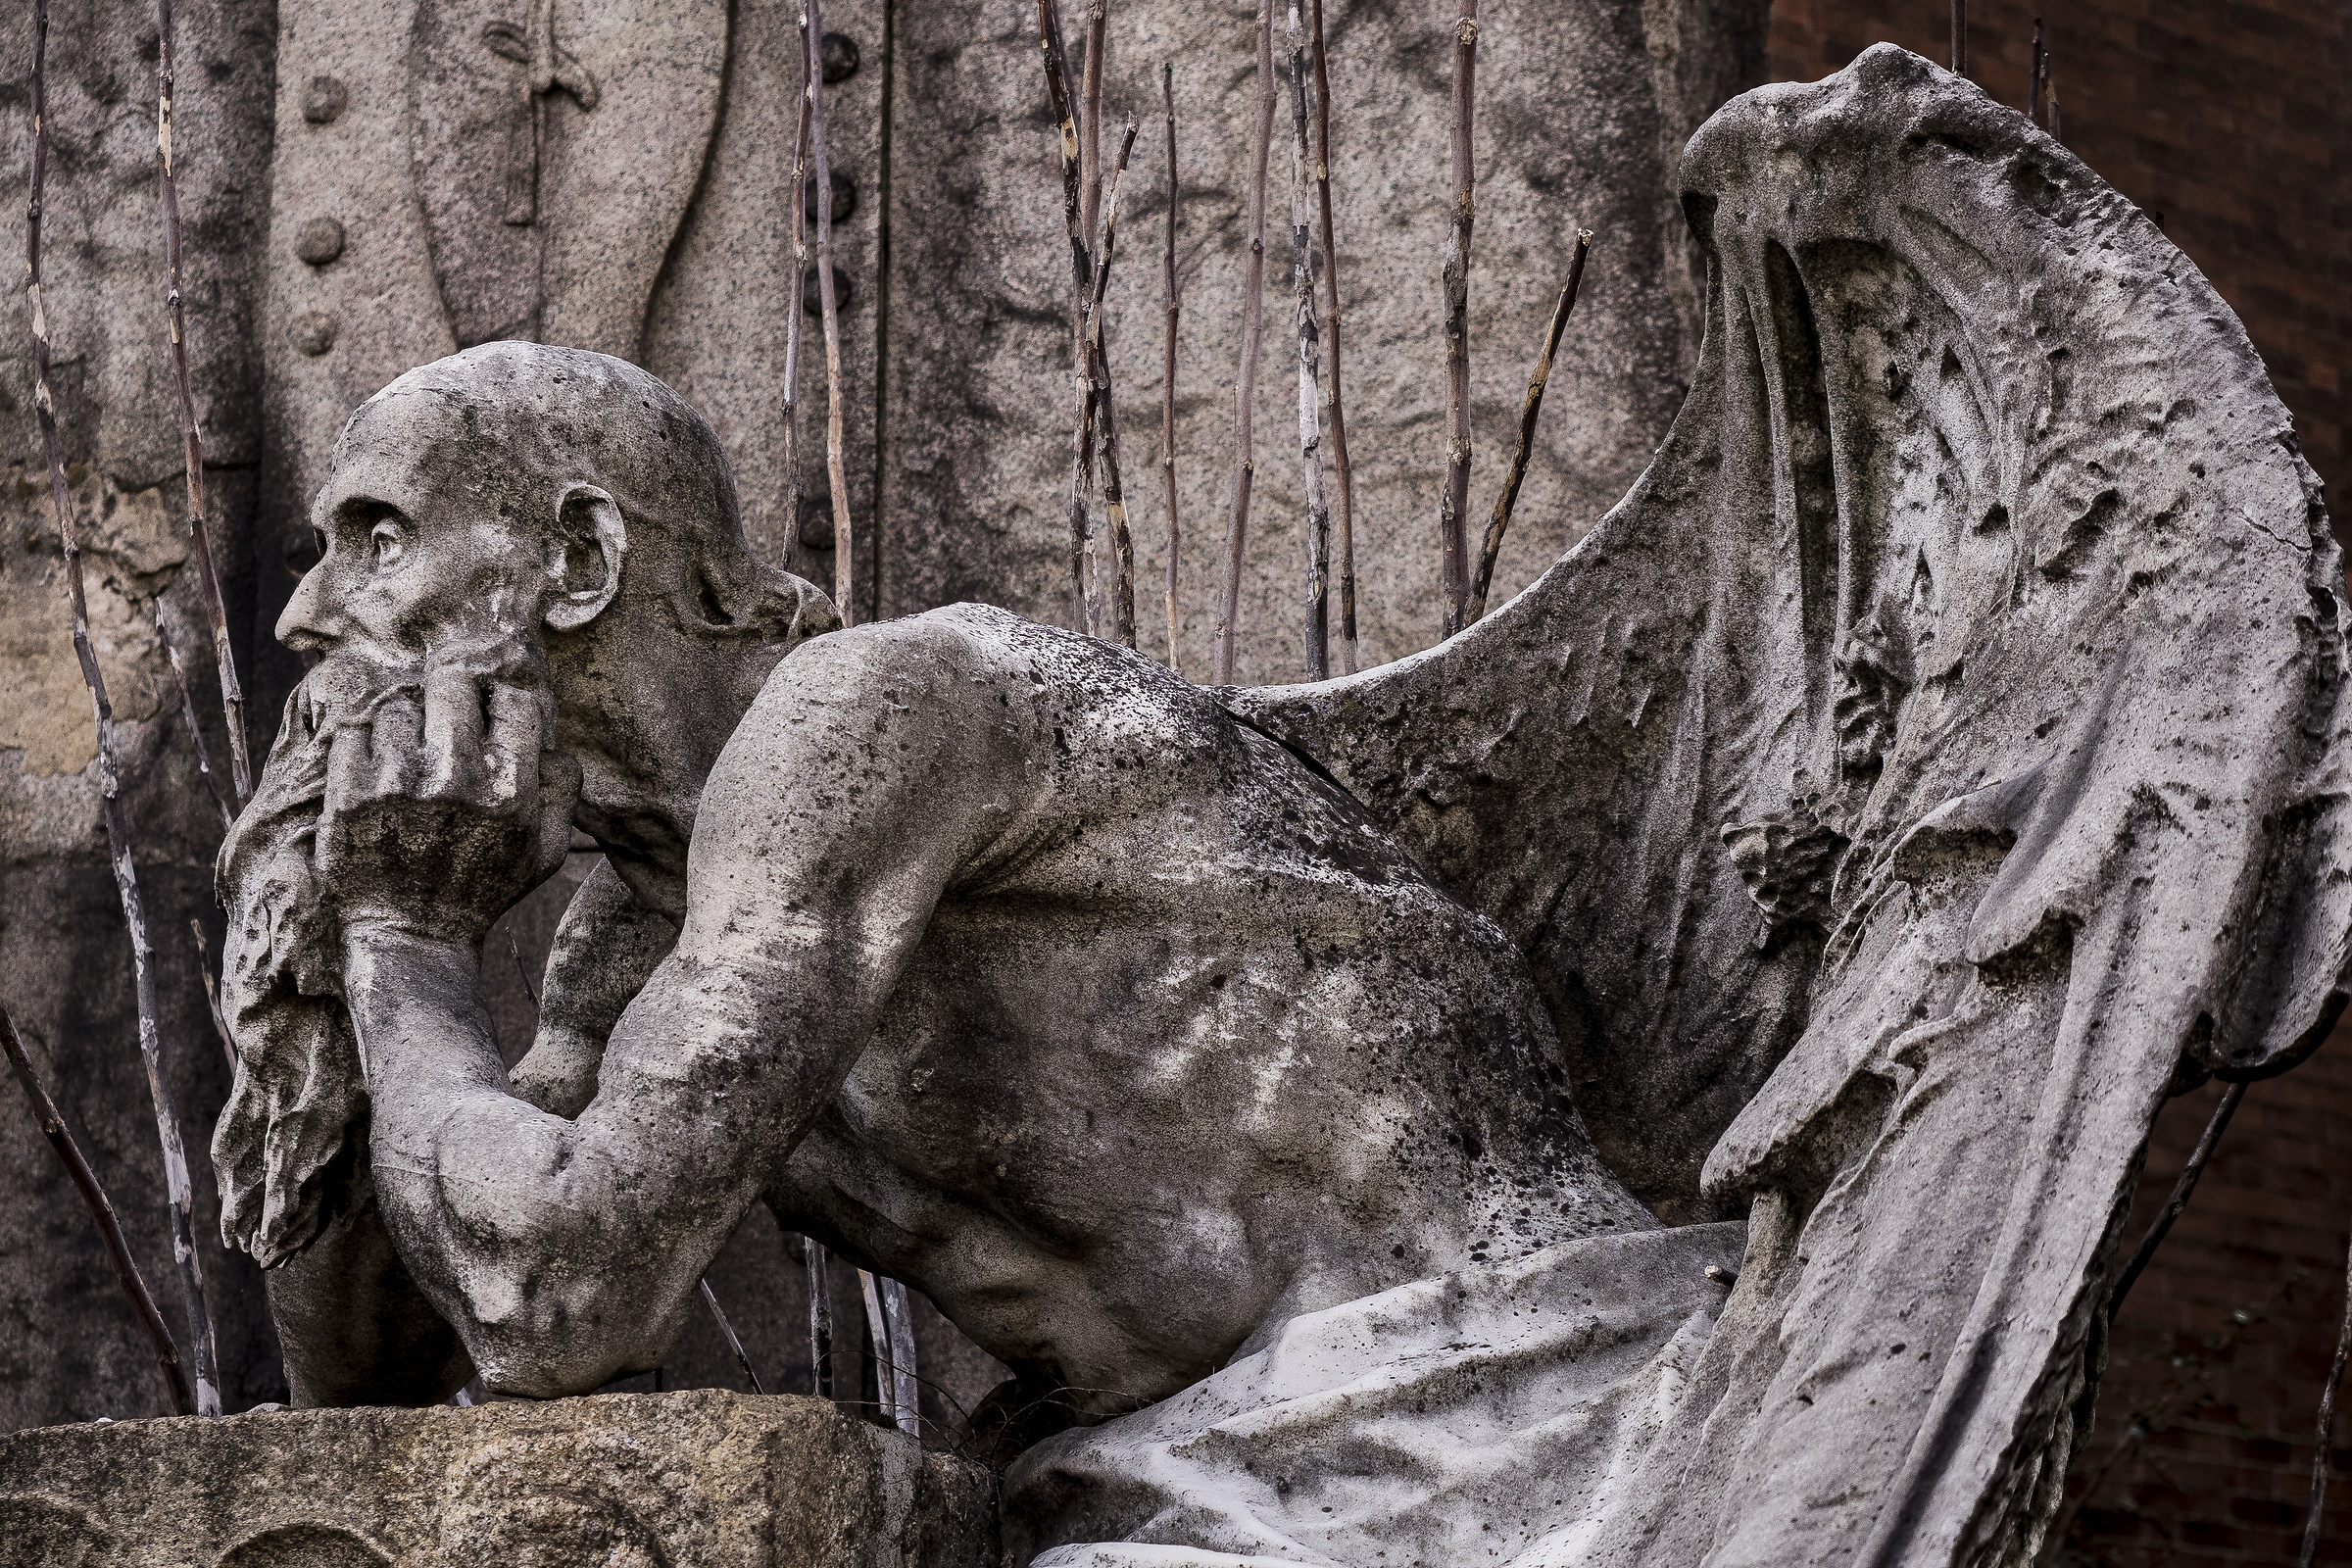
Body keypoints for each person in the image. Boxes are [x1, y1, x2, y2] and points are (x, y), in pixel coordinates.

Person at [217, 341, 1656, 1422]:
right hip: (1198, 1462)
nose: (302, 615)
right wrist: (323, 950)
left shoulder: (880, 716)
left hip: (1510, 1382)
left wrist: (407, 937)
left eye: (379, 539)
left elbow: (555, 1297)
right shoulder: (635, 943)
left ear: (581, 560)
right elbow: (386, 1359)